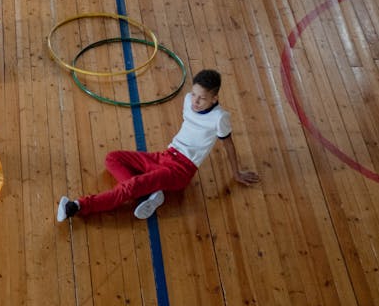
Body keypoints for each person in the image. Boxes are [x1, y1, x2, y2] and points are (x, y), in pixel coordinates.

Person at [57, 69, 259, 221]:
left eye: (202, 98)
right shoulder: (188, 99)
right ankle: (148, 195)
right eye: (194, 94)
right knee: (112, 158)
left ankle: (78, 206)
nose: (195, 102)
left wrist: (236, 173)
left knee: (131, 186)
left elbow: (229, 145)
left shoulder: (220, 118)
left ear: (215, 98)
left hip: (180, 170)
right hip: (165, 155)